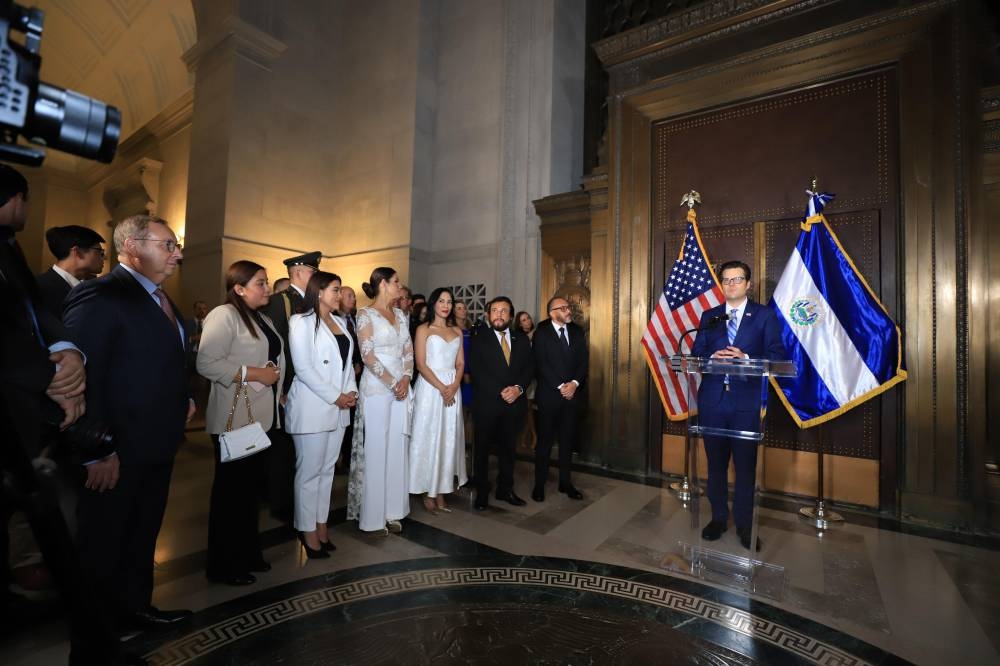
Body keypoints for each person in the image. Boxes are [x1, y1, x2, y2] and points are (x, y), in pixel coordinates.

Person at [1, 165, 143, 665]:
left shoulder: (36, 273)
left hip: (63, 425)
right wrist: (53, 374)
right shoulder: (37, 282)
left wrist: (66, 352)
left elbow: (60, 339)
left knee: (71, 523)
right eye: (98, 252)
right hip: (33, 420)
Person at [63, 214, 194, 635]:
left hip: (157, 444)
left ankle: (135, 608)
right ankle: (99, 638)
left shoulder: (163, 298)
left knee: (141, 534)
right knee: (104, 544)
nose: (177, 252)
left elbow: (160, 362)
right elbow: (80, 379)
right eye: (168, 244)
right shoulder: (101, 294)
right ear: (132, 247)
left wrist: (183, 399)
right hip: (115, 450)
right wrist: (96, 448)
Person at [196, 261, 284, 585]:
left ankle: (248, 553)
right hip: (235, 420)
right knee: (230, 497)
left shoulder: (262, 318)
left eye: (266, 282)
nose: (267, 288)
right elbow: (206, 362)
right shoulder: (224, 315)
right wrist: (254, 373)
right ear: (239, 287)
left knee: (250, 495)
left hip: (261, 417)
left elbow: (275, 358)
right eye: (260, 283)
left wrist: (280, 391)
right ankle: (223, 565)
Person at [691, 260, 786, 550]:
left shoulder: (764, 316)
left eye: (737, 279)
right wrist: (711, 360)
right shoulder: (710, 316)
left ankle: (745, 526)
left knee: (745, 467)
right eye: (726, 280)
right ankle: (718, 518)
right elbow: (696, 355)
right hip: (713, 402)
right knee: (715, 464)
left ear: (748, 284)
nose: (731, 284)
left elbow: (778, 357)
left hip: (746, 402)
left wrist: (745, 359)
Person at [285, 271, 357, 558]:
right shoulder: (300, 322)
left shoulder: (339, 322)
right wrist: (335, 396)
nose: (339, 295)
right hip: (313, 408)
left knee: (327, 472)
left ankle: (321, 523)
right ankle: (306, 530)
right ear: (318, 292)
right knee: (309, 473)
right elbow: (303, 368)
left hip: (339, 408)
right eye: (335, 290)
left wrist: (351, 391)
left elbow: (348, 365)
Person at [347, 267, 413, 534]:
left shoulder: (400, 314)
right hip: (377, 387)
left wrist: (406, 377)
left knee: (397, 446)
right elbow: (368, 355)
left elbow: (407, 350)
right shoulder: (365, 314)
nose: (400, 286)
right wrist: (392, 381)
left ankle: (393, 510)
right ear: (383, 284)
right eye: (396, 281)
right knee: (377, 448)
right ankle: (373, 517)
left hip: (401, 387)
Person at [260, 251, 321, 524]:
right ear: (297, 272)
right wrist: (281, 387)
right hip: (287, 386)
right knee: (283, 448)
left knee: (301, 448)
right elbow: (274, 346)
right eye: (312, 271)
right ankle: (282, 504)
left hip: (309, 385)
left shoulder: (311, 302)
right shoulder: (280, 302)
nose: (315, 276)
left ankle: (300, 501)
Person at [469, 296, 533, 511]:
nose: (499, 314)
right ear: (488, 315)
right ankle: (482, 493)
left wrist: (518, 389)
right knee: (482, 450)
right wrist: (500, 391)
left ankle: (505, 489)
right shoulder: (479, 338)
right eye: (494, 310)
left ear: (511, 315)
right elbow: (476, 371)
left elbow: (529, 370)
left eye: (504, 310)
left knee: (508, 450)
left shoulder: (521, 339)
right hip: (487, 404)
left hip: (514, 405)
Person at [408, 287, 467, 513]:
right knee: (428, 437)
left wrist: (454, 386)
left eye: (449, 301)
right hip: (431, 389)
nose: (446, 305)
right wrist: (443, 387)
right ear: (433, 304)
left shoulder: (457, 331)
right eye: (441, 301)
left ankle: (441, 489)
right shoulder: (423, 329)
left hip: (453, 388)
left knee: (448, 439)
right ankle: (426, 490)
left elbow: (461, 363)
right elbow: (421, 364)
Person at [531, 297, 588, 502]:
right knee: (545, 442)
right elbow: (540, 364)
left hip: (572, 396)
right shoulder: (541, 334)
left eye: (568, 307)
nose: (568, 311)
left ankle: (566, 483)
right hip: (549, 395)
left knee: (567, 442)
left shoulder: (576, 331)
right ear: (552, 312)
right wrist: (560, 386)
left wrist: (574, 384)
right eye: (563, 308)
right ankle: (539, 484)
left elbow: (583, 361)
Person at [36, 225, 106, 319]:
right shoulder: (40, 288)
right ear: (77, 252)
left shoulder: (92, 286)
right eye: (100, 252)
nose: (104, 258)